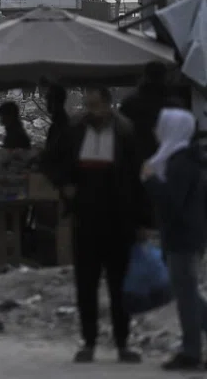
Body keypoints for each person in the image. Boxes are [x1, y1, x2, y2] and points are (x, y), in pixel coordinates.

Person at [52, 87, 145, 364]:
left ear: (108, 105)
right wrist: (65, 185)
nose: (92, 112)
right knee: (86, 283)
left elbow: (138, 178)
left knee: (120, 284)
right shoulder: (75, 131)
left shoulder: (125, 133)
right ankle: (89, 341)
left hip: (119, 219)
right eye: (88, 106)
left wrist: (141, 220)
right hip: (86, 218)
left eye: (96, 106)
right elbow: (52, 161)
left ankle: (122, 342)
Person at [141, 108, 207, 371]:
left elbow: (171, 203)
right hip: (186, 235)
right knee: (186, 292)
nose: (156, 131)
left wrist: (151, 180)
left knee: (185, 295)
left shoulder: (181, 162)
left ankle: (191, 352)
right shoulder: (186, 159)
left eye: (161, 125)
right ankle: (191, 350)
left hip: (183, 237)